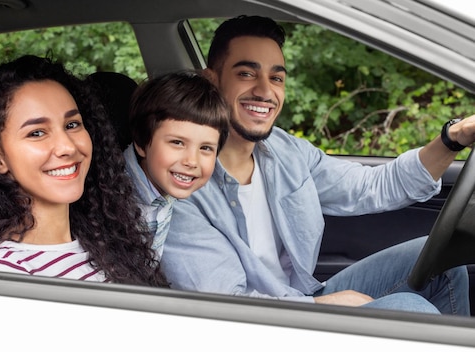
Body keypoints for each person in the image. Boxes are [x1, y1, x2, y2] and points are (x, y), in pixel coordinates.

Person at [160, 15, 475, 314]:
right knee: (412, 310)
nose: (265, 91)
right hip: (254, 322)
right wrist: (320, 308)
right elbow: (224, 306)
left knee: (441, 265)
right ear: (211, 80)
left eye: (276, 77)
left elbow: (372, 187)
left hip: (301, 297)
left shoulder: (284, 150)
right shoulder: (182, 182)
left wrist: (452, 139)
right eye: (246, 73)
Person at [0, 55, 167, 287]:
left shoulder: (109, 237)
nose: (67, 146)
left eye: (72, 125)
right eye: (37, 132)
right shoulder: (4, 273)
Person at [123, 71, 229, 258]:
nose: (192, 161)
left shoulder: (161, 190)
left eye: (205, 148)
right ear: (141, 143)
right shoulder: (118, 200)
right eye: (177, 143)